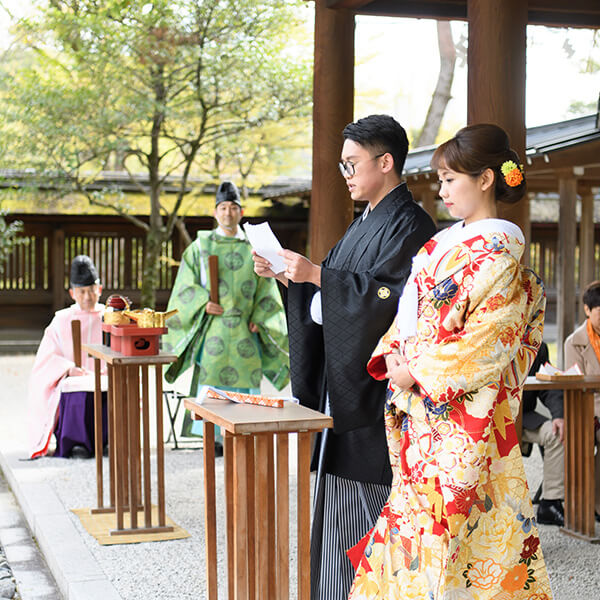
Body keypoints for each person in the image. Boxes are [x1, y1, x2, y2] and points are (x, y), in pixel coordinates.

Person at [348, 123, 552, 599]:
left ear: (484, 179)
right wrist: (397, 355)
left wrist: (414, 368)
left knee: (460, 533)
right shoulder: (440, 246)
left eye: (449, 180)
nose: (440, 192)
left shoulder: (499, 255)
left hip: (463, 421)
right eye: (439, 180)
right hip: (424, 411)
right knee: (424, 529)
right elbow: (406, 315)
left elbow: (487, 344)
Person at [253, 114, 436, 600]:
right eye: (342, 164)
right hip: (345, 385)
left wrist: (317, 276)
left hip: (377, 392)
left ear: (386, 161)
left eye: (353, 163)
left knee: (367, 513)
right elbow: (326, 289)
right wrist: (290, 275)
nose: (346, 173)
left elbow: (392, 301)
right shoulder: (364, 223)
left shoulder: (412, 224)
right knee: (337, 510)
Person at [163, 181, 290, 445]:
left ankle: (246, 429)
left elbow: (267, 285)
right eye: (223, 208)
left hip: (245, 326)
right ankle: (213, 437)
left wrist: (260, 317)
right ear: (215, 213)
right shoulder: (200, 247)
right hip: (215, 327)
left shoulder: (253, 247)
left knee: (247, 372)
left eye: (234, 208)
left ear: (241, 213)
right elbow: (185, 287)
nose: (228, 213)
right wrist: (202, 303)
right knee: (211, 375)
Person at [27, 255, 106, 459]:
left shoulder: (110, 316)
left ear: (100, 288)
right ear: (72, 293)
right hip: (73, 375)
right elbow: (46, 358)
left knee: (108, 386)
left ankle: (108, 439)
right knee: (75, 387)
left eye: (91, 290)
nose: (88, 296)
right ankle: (76, 443)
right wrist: (68, 368)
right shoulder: (61, 319)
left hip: (105, 374)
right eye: (82, 291)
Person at [564, 279, 600, 521]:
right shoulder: (573, 342)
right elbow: (573, 387)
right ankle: (596, 503)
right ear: (587, 310)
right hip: (590, 411)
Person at [521, 341, 565, 526]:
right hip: (491, 418)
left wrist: (558, 416)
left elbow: (549, 384)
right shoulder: (489, 340)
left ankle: (550, 502)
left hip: (525, 417)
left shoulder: (537, 345)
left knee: (556, 433)